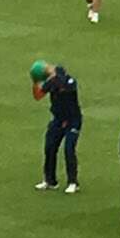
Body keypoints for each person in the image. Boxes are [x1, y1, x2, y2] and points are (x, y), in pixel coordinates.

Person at [33, 63, 82, 193]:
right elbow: (38, 96)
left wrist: (51, 78)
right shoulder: (51, 82)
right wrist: (36, 82)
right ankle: (50, 181)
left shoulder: (70, 82)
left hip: (73, 121)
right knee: (49, 147)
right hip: (58, 120)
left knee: (69, 149)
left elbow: (64, 88)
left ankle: (73, 182)